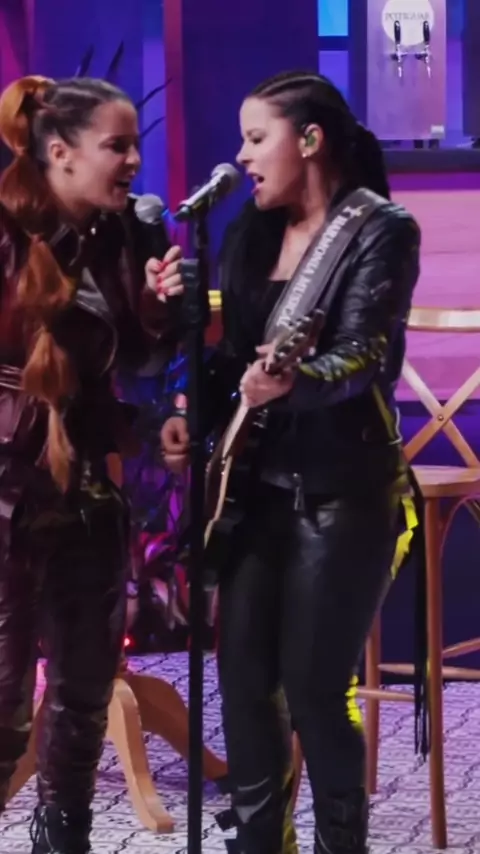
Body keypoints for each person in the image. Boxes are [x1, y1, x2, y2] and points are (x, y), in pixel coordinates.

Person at [161, 71, 421, 854]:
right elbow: (230, 362)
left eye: (255, 138)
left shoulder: (379, 229)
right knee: (242, 682)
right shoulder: (249, 232)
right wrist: (186, 402)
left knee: (313, 690)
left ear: (309, 140)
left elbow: (366, 357)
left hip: (345, 492)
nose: (241, 157)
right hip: (256, 490)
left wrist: (295, 381)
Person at [0, 75, 182, 853]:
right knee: (4, 701)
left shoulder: (125, 233)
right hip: (7, 483)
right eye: (118, 146)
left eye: (135, 145)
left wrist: (157, 310)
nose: (135, 160)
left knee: (81, 691)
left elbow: (137, 360)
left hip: (84, 484)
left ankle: (62, 836)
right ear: (60, 152)